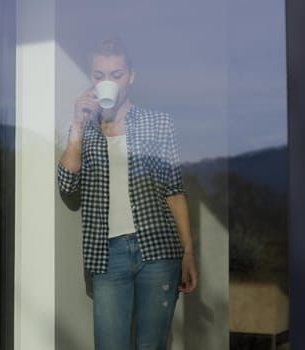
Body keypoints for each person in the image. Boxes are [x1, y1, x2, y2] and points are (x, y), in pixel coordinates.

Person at [57, 38, 197, 350]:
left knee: (152, 346)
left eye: (116, 74)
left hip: (159, 250)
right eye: (99, 75)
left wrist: (188, 251)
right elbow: (67, 185)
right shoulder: (83, 128)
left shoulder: (158, 123)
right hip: (106, 254)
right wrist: (77, 125)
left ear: (131, 76)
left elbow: (174, 191)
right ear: (91, 79)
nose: (108, 82)